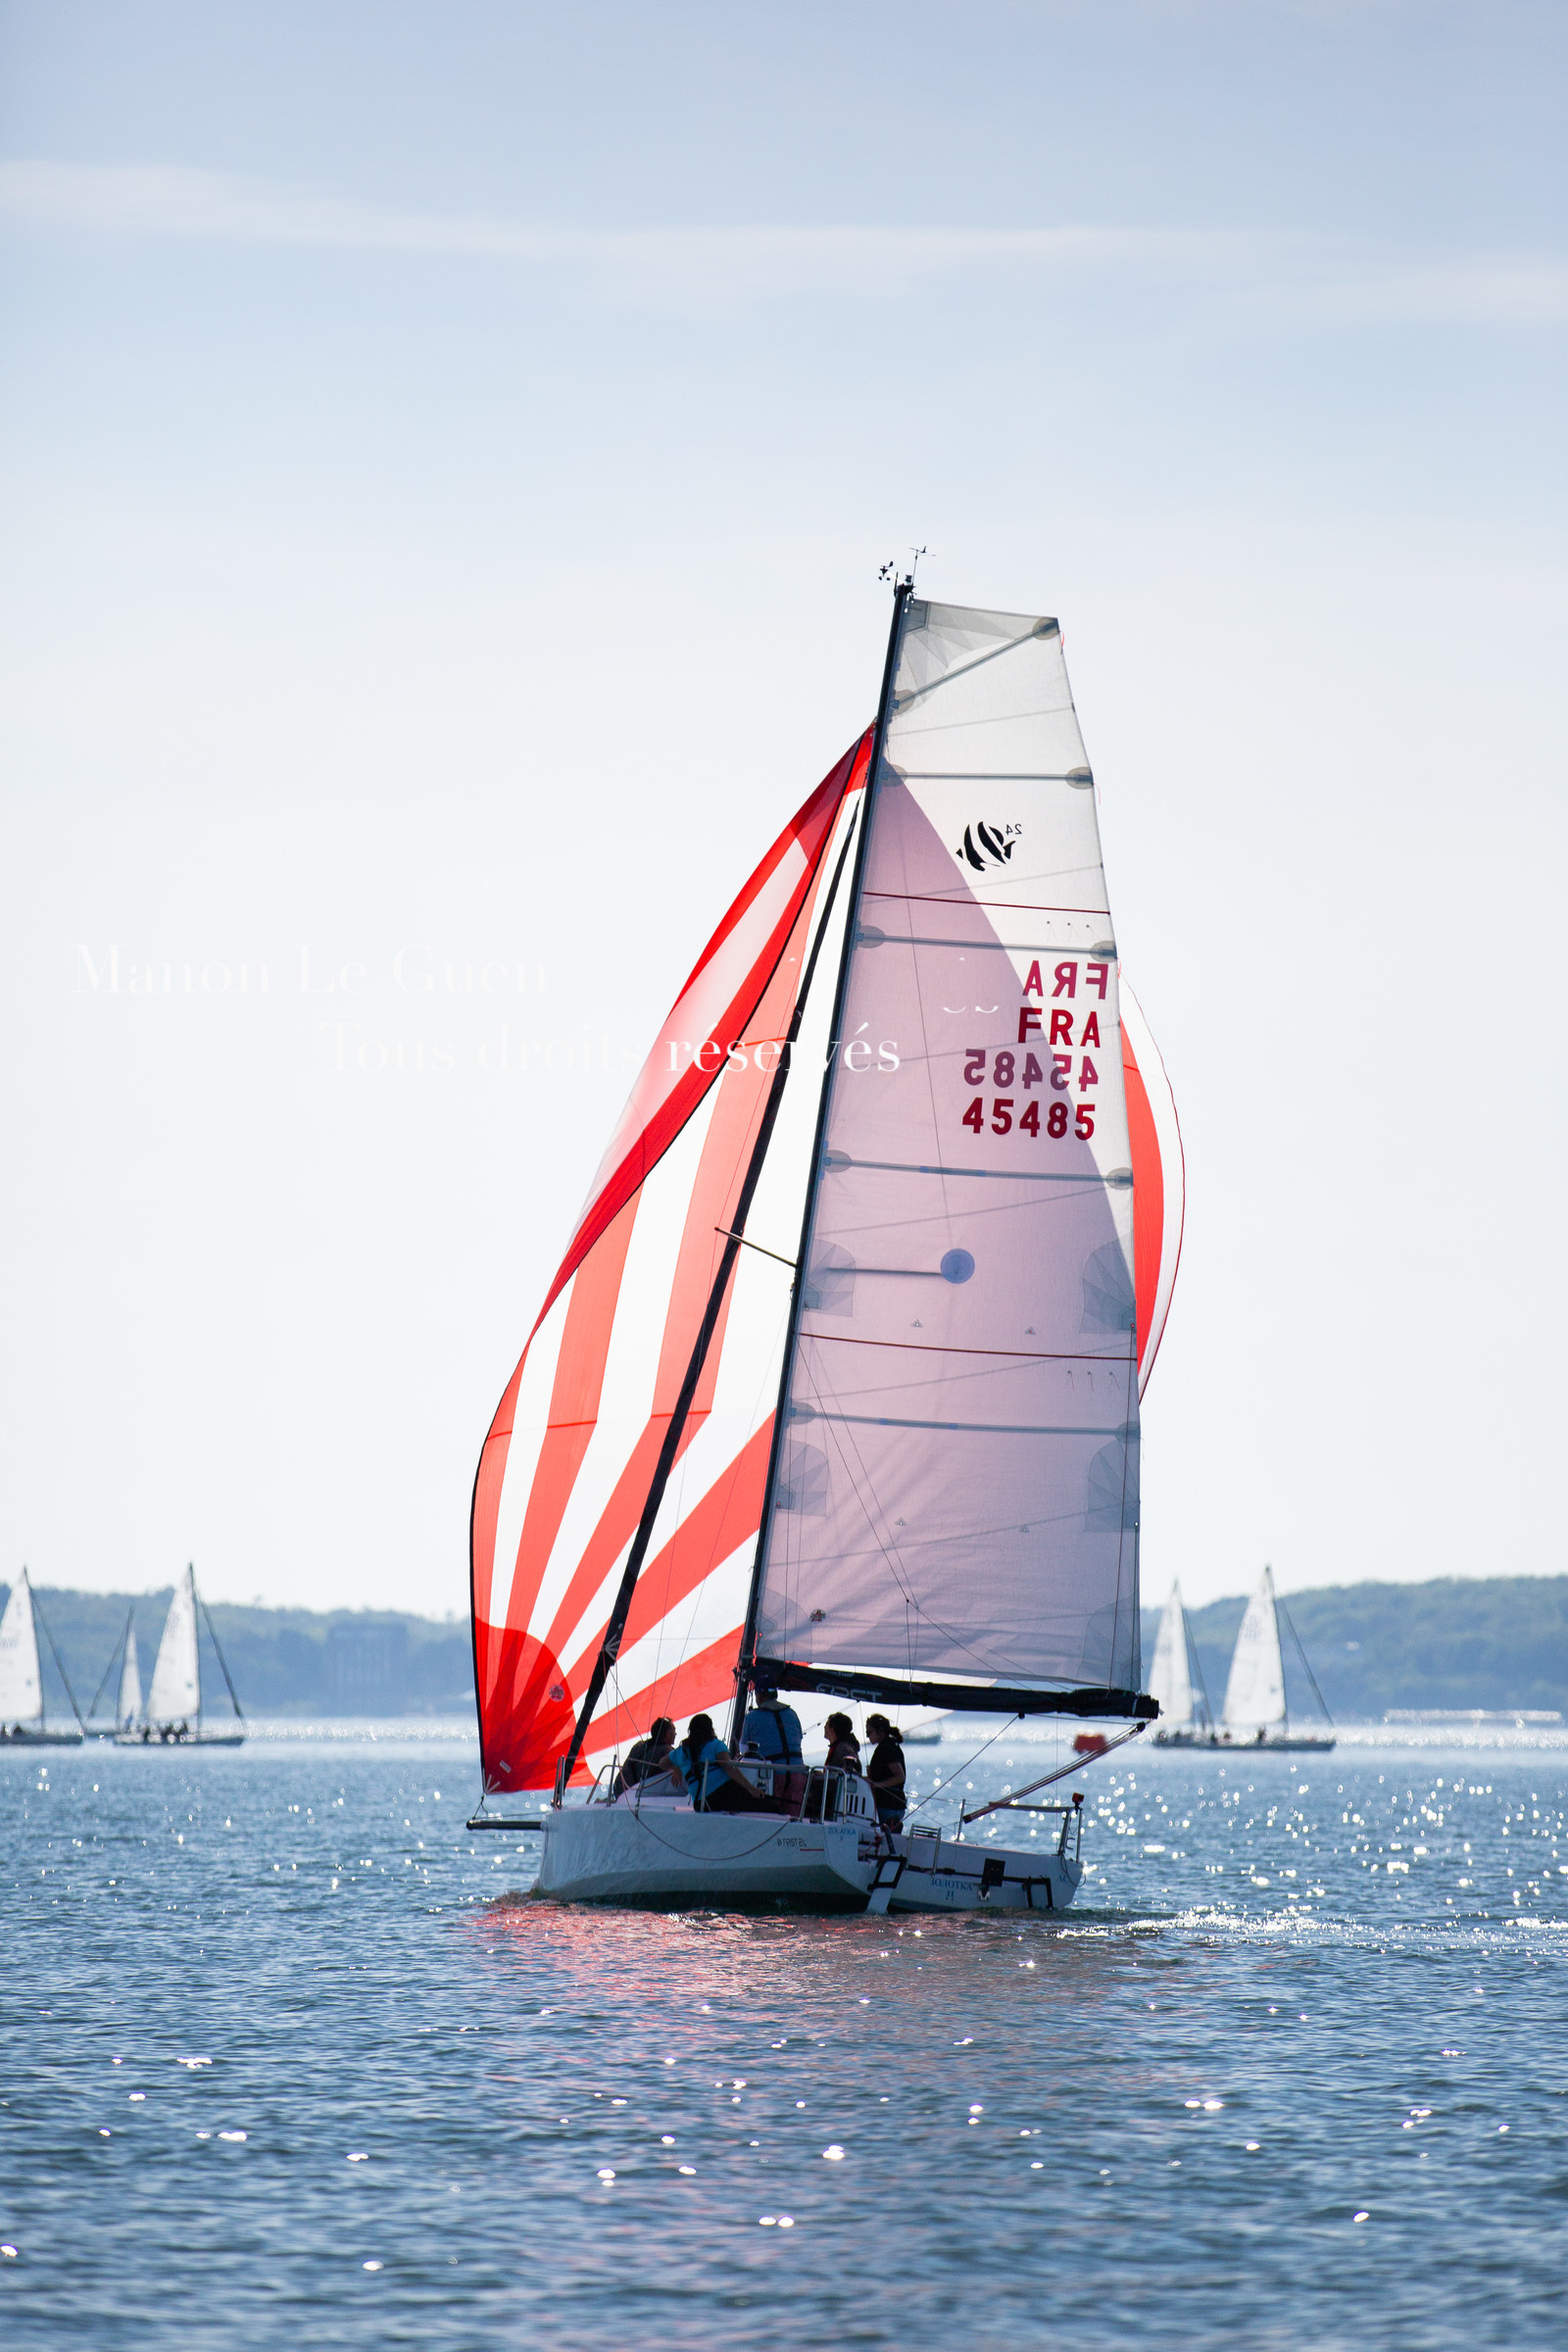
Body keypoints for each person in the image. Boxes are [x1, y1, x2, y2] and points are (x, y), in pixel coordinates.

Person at [670, 1713, 775, 1813]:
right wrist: (752, 1789)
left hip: (700, 1803)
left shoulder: (681, 1751)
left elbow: (663, 1763)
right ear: (710, 1729)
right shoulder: (716, 1745)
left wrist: (676, 1767)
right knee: (772, 1805)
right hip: (721, 1795)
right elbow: (729, 1767)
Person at [863, 1713, 906, 1831]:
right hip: (891, 1805)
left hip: (889, 1806)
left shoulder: (887, 1748)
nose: (867, 1736)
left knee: (884, 1837)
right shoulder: (888, 1746)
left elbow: (900, 1776)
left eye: (869, 1733)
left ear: (880, 1731)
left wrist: (877, 1785)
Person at [614, 1716, 675, 1797]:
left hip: (619, 1789)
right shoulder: (667, 1751)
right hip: (633, 1794)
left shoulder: (639, 1745)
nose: (676, 1734)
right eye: (674, 1731)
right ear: (667, 1734)